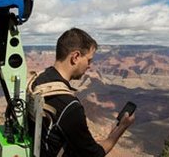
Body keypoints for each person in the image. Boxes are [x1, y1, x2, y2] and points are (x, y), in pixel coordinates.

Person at [28, 27, 135, 157]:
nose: (89, 66)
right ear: (76, 57)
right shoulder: (69, 106)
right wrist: (121, 128)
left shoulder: (38, 80)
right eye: (89, 60)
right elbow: (94, 154)